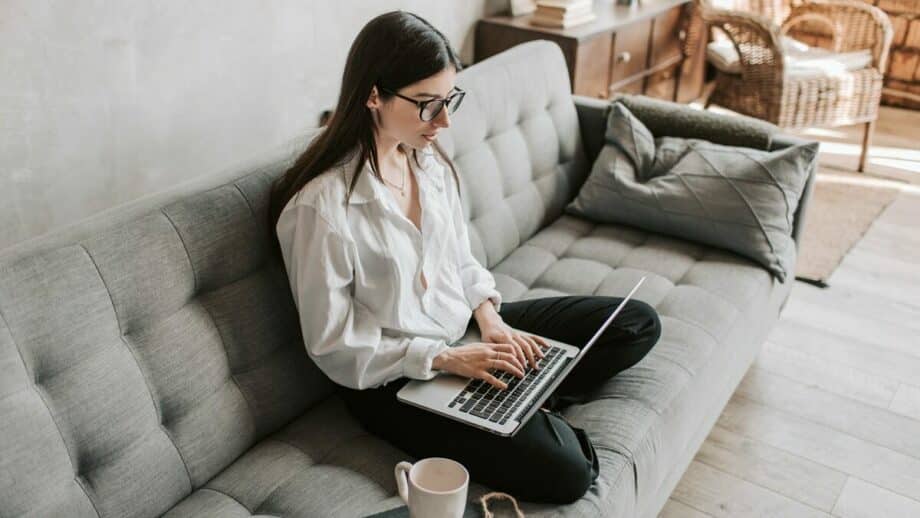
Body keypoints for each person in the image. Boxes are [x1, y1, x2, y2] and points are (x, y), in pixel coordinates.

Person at [269, 10, 661, 505]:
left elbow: (460, 260)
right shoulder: (321, 209)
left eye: (449, 99)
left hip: (465, 332)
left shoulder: (425, 160)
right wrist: (447, 359)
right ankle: (518, 403)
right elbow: (334, 345)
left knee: (636, 323)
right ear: (374, 96)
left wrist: (491, 321)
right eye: (429, 104)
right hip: (395, 380)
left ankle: (515, 395)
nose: (446, 120)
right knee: (570, 473)